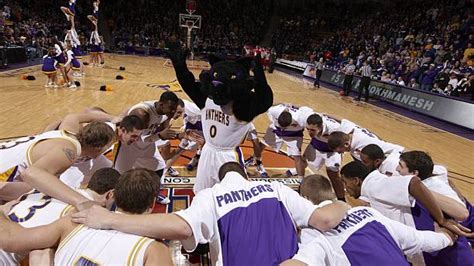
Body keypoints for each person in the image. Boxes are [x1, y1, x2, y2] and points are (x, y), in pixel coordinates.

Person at [71, 162, 350, 265]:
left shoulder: (212, 195)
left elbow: (182, 230)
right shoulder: (276, 189)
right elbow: (325, 220)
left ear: (220, 179)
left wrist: (111, 219)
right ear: (245, 176)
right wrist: (343, 202)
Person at [0, 169, 173, 266]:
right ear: (151, 205)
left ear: (116, 196)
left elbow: (9, 239)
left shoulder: (72, 222)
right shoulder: (155, 250)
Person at [167, 42, 273, 193]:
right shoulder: (207, 98)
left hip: (228, 155)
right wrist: (179, 66)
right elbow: (188, 84)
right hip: (208, 151)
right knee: (201, 192)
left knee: (233, 198)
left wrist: (260, 76)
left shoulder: (242, 107)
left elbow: (265, 100)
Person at [282, 175, 456, 266]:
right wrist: (446, 237)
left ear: (305, 198)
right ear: (331, 193)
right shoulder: (368, 214)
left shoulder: (312, 234)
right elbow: (418, 240)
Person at [340, 161, 474, 265]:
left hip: (442, 248)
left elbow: (413, 183)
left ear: (356, 180)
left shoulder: (374, 185)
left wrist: (442, 219)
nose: (345, 188)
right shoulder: (373, 186)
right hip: (435, 246)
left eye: (345, 183)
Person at [0, 168, 120, 265]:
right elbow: (40, 253)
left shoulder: (46, 187)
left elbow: (24, 175)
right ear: (110, 194)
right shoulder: (81, 217)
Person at [0, 120, 115, 210]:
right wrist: (82, 202)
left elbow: (74, 116)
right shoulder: (69, 152)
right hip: (4, 171)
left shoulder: (66, 133)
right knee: (41, 186)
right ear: (99, 147)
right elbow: (30, 173)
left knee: (45, 185)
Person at [114, 92, 179, 203]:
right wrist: (159, 136)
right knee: (120, 175)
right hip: (131, 145)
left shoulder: (164, 112)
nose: (172, 111)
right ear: (161, 104)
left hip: (147, 143)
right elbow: (139, 138)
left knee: (159, 166)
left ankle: (154, 194)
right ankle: (119, 199)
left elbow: (161, 130)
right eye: (171, 108)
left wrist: (170, 127)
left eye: (174, 109)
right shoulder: (142, 113)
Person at [264, 103, 314, 181]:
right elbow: (267, 104)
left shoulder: (301, 117)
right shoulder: (274, 111)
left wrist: (296, 106)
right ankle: (256, 161)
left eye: (285, 127)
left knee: (298, 157)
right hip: (277, 131)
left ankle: (301, 181)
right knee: (262, 144)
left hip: (294, 136)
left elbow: (310, 113)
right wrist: (283, 104)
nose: (284, 129)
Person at [327, 122, 404, 162]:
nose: (341, 153)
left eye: (340, 151)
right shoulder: (353, 133)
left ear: (346, 144)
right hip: (396, 151)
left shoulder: (361, 145)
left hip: (397, 157)